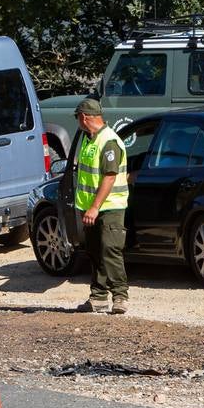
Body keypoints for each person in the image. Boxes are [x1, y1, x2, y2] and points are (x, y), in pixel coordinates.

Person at [71, 98, 129, 314]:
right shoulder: (89, 139)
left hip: (109, 206)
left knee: (110, 249)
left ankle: (120, 296)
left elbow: (109, 177)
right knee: (95, 251)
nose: (78, 121)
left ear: (84, 117)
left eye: (78, 117)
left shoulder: (108, 141)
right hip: (90, 207)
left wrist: (95, 207)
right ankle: (98, 297)